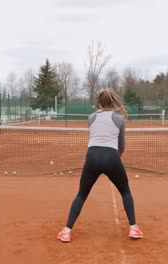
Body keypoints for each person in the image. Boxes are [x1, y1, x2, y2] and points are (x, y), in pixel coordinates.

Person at [57, 88, 143, 242]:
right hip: (112, 157)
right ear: (113, 100)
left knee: (81, 194)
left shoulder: (91, 117)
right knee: (125, 192)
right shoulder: (119, 119)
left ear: (99, 101)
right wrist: (116, 159)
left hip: (92, 157)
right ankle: (134, 229)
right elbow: (121, 144)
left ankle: (66, 231)